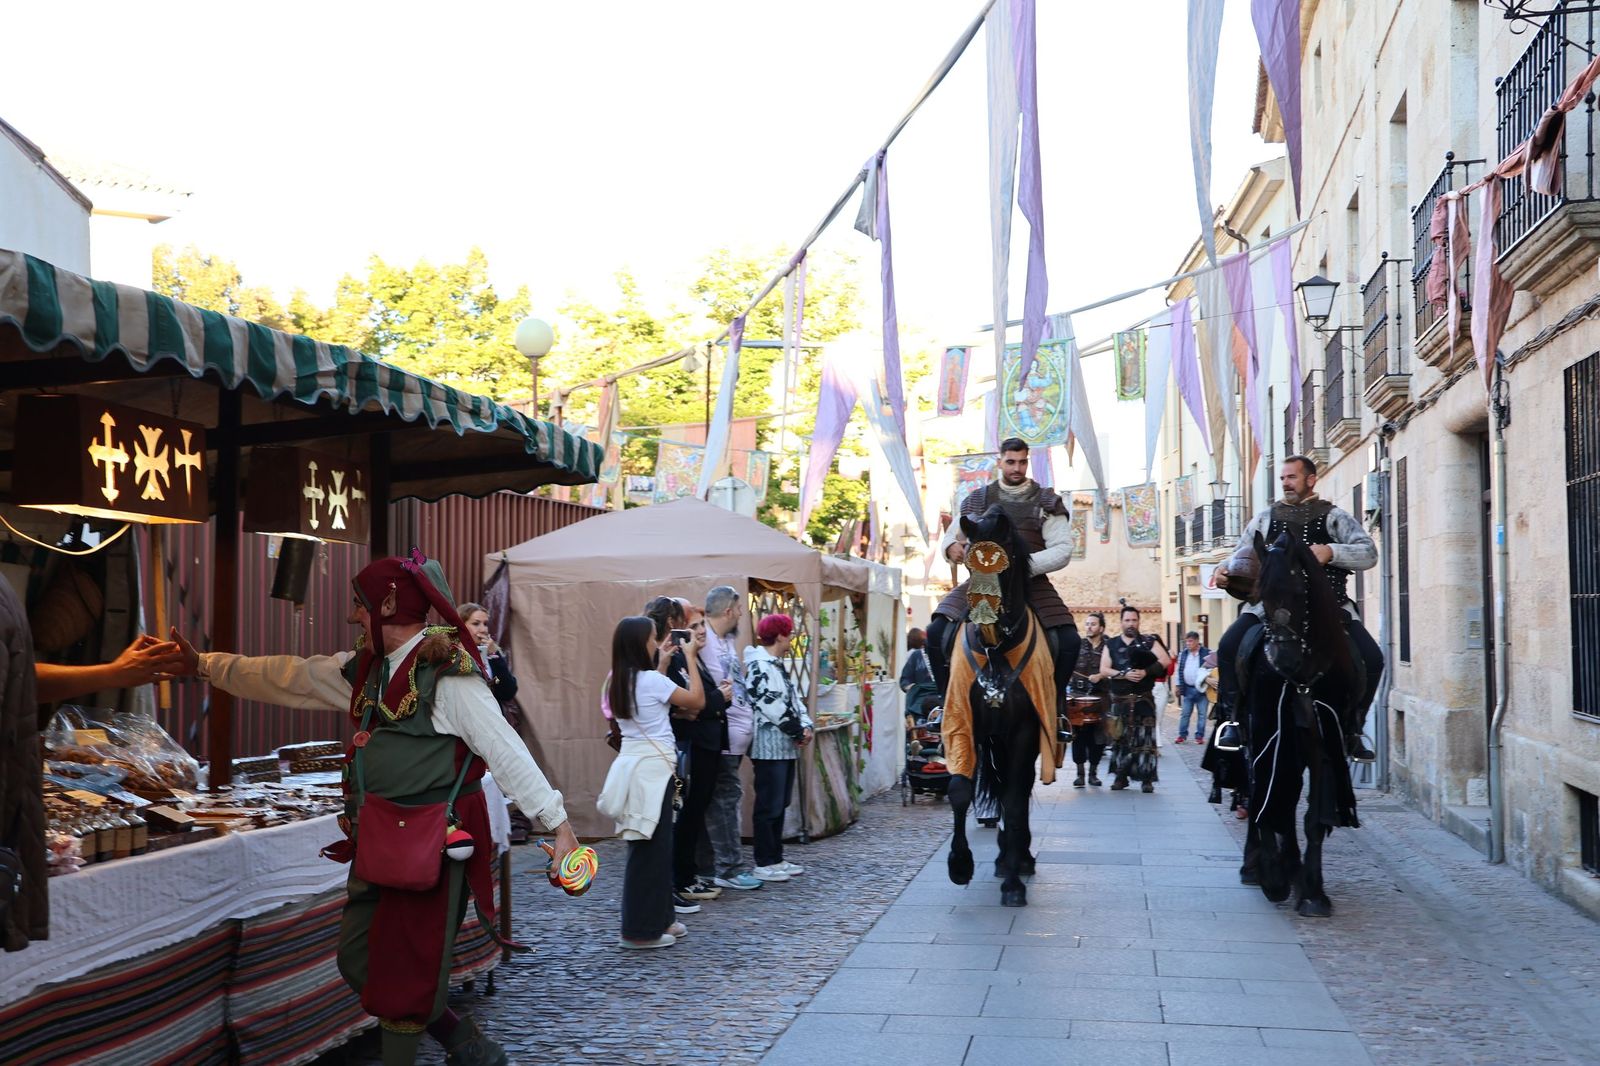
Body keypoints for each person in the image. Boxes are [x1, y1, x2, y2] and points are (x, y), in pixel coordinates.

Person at [166, 553, 578, 1066]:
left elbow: (505, 750)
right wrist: (204, 665)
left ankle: (427, 1050)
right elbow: (290, 677)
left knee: (403, 976)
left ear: (388, 604)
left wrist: (558, 825)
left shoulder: (449, 677)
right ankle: (460, 1038)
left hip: (431, 844)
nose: (353, 617)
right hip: (380, 841)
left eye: (360, 606)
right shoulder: (369, 670)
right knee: (358, 958)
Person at [1214, 455, 1383, 761]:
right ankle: (1233, 721)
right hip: (1272, 608)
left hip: (1330, 607)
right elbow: (1240, 553)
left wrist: (1332, 551)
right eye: (1282, 478)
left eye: (1291, 477)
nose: (1286, 483)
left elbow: (1369, 553)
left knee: (1373, 658)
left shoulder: (1334, 516)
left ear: (1310, 479)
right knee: (1228, 646)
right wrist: (1222, 569)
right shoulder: (1265, 518)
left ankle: (1353, 728)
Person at [928, 438, 1079, 722]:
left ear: (1028, 461)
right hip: (982, 581)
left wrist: (1018, 567)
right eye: (1011, 462)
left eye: (1022, 462)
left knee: (1069, 640)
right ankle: (945, 705)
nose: (1017, 468)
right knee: (937, 631)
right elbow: (953, 537)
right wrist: (951, 548)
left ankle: (1056, 710)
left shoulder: (1046, 501)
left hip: (1031, 582)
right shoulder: (977, 499)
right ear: (1000, 462)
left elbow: (1063, 549)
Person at [597, 615, 703, 950]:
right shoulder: (649, 682)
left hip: (636, 764)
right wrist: (691, 658)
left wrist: (665, 662)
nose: (657, 643)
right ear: (640, 644)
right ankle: (640, 931)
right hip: (654, 768)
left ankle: (660, 919)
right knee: (650, 850)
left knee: (652, 845)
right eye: (653, 638)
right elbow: (696, 701)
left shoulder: (619, 680)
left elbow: (647, 701)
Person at [664, 606, 731, 907]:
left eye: (702, 624)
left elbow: (699, 706)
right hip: (691, 747)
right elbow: (695, 704)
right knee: (687, 816)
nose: (701, 630)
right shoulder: (677, 660)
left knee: (694, 815)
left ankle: (688, 876)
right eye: (694, 626)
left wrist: (709, 703)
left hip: (705, 745)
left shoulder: (696, 659)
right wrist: (719, 699)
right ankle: (682, 879)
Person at [699, 586, 763, 892]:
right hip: (720, 738)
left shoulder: (725, 640)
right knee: (724, 801)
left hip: (734, 737)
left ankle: (721, 865)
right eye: (739, 609)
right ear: (728, 611)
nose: (741, 614)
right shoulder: (705, 641)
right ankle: (728, 867)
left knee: (726, 799)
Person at [744, 614, 812, 883]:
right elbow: (770, 703)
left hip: (784, 745)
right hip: (768, 745)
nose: (792, 638)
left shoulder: (775, 665)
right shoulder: (760, 666)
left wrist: (805, 725)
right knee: (768, 805)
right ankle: (764, 859)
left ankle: (776, 856)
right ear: (780, 635)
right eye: (789, 633)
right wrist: (798, 728)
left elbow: (794, 700)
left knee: (780, 803)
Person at [1101, 606, 1172, 793]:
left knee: (1146, 741)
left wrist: (1145, 671)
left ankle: (1146, 779)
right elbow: (1104, 669)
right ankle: (1120, 777)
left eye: (1134, 620)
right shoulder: (1112, 644)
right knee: (1120, 740)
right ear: (1121, 622)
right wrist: (1124, 674)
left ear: (1139, 621)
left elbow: (1165, 660)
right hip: (1120, 702)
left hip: (1143, 701)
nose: (1131, 624)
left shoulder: (1149, 642)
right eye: (1127, 620)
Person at [1069, 612, 1111, 788]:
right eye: (1087, 624)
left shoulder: (1108, 647)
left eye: (1093, 624)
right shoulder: (1077, 645)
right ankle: (1080, 774)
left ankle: (1093, 773)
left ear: (1101, 628)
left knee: (1098, 737)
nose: (1089, 627)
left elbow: (1114, 670)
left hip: (1101, 697)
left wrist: (1101, 675)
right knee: (1077, 737)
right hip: (1078, 696)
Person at [457, 603, 518, 714]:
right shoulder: (450, 652)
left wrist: (495, 655)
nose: (483, 629)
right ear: (461, 626)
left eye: (485, 624)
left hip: (490, 717)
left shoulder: (491, 654)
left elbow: (508, 692)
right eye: (476, 624)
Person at [1174, 631, 1212, 744]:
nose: (1188, 644)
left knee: (1202, 714)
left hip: (1202, 689)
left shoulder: (1207, 653)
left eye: (1190, 641)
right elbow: (1179, 670)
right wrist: (1178, 685)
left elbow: (1213, 668)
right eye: (1186, 641)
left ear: (1196, 641)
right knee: (1185, 714)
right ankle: (1182, 735)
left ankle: (1199, 736)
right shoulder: (1183, 654)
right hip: (1188, 688)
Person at [899, 627, 940, 721]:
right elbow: (905, 680)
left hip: (942, 698)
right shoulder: (916, 656)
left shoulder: (944, 655)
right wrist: (911, 687)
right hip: (921, 700)